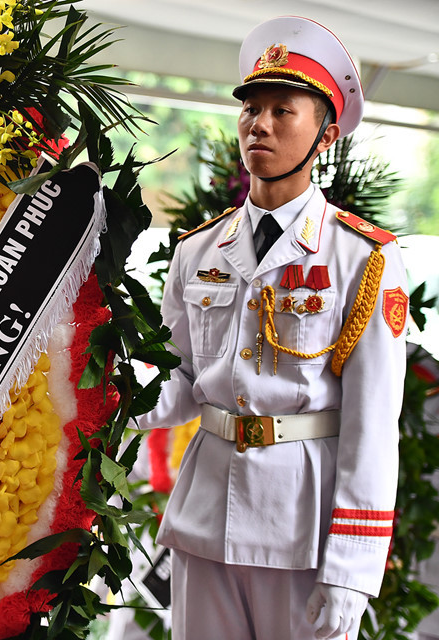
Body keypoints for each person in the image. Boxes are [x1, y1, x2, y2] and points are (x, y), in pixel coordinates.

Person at [138, 16, 407, 640]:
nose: (259, 124)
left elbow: (373, 421)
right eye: (251, 109)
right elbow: (180, 380)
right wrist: (107, 397)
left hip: (301, 526)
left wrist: (352, 569)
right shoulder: (197, 250)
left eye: (283, 110)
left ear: (327, 134)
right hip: (205, 511)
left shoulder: (360, 256)